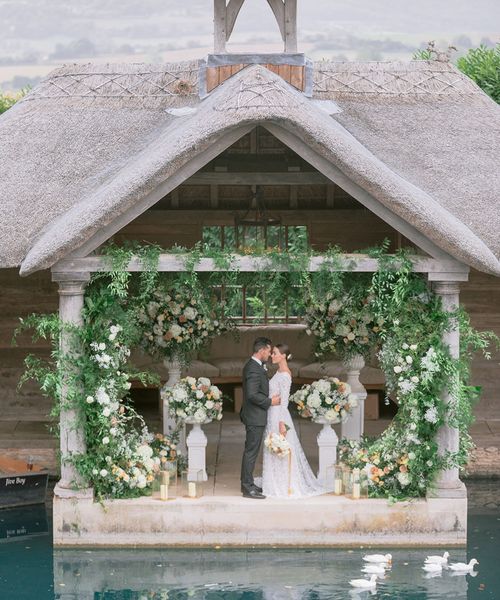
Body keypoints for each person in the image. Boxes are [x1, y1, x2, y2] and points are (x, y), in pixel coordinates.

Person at [262, 344, 324, 498]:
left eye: (275, 353)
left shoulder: (285, 375)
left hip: (279, 415)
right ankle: (274, 479)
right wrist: (270, 400)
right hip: (272, 413)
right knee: (272, 445)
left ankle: (284, 483)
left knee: (279, 446)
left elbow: (284, 402)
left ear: (283, 356)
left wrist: (282, 423)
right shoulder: (278, 371)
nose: (272, 356)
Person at [240, 337, 280, 499]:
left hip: (256, 415)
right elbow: (252, 395)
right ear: (262, 350)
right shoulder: (252, 368)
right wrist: (271, 401)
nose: (270, 355)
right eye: (269, 351)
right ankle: (247, 487)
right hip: (254, 416)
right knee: (251, 452)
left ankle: (248, 483)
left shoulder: (257, 366)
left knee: (252, 451)